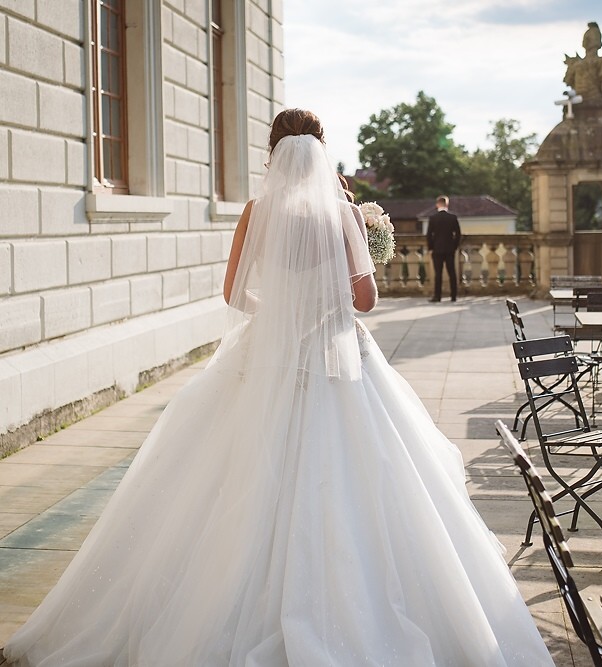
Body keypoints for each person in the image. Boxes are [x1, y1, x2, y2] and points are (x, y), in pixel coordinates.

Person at [2, 109, 555, 667]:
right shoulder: (343, 215)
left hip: (268, 355)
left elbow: (234, 295)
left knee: (229, 476)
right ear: (321, 152)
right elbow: (363, 302)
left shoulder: (255, 211)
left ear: (272, 154)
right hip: (339, 358)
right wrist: (331, 293)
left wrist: (281, 316)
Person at [426, 196, 462, 302]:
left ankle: (437, 296)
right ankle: (453, 296)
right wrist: (454, 246)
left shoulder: (433, 218)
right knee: (452, 273)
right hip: (450, 249)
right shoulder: (453, 217)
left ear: (437, 204)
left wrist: (431, 247)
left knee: (438, 274)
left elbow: (429, 235)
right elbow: (458, 234)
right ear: (447, 204)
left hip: (437, 249)